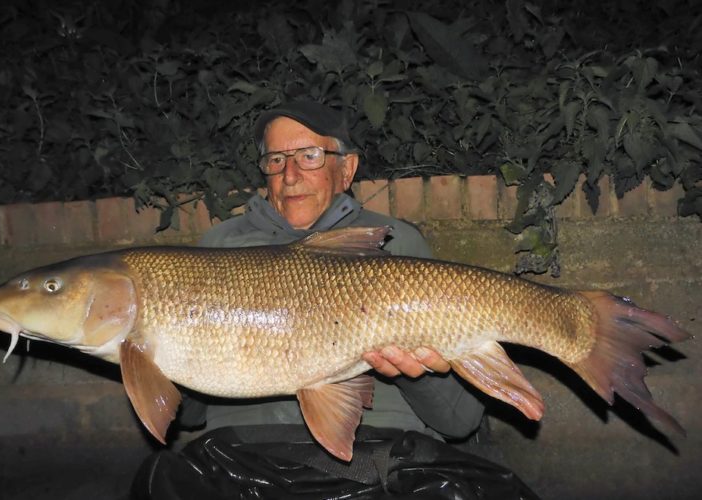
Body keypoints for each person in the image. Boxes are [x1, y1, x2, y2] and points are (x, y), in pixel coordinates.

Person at [132, 101, 538, 500]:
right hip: (241, 454)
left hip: (379, 457)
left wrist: (411, 373)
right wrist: (152, 357)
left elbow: (458, 421)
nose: (289, 175)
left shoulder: (394, 243)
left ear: (346, 169)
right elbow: (190, 415)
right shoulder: (220, 246)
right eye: (275, 159)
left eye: (309, 156)